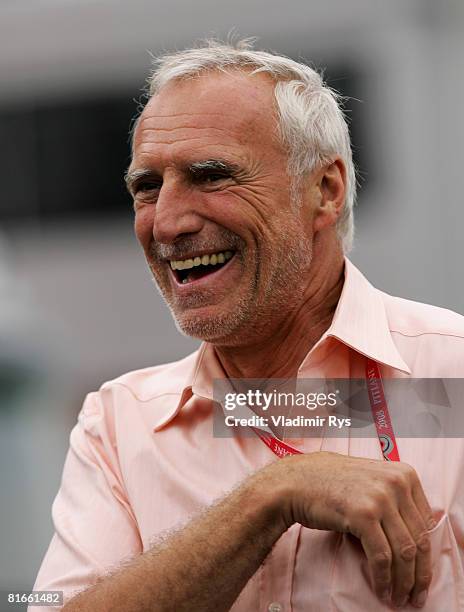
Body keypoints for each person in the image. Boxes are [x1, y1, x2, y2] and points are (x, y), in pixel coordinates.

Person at [32, 39, 464, 611]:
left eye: (211, 176)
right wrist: (271, 496)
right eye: (147, 188)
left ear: (324, 191)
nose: (167, 222)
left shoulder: (450, 372)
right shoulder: (119, 423)